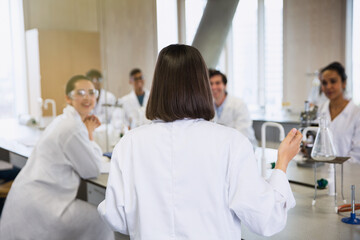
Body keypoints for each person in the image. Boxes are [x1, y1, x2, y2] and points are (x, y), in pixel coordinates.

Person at [98, 44, 302, 239]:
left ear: (158, 85)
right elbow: (266, 219)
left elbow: (117, 218)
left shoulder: (129, 144)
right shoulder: (231, 142)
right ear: (202, 85)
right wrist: (282, 162)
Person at [0, 75, 114, 240]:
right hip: (44, 206)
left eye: (91, 92)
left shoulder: (64, 120)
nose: (88, 97)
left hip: (32, 197)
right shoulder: (72, 127)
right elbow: (92, 170)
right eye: (81, 92)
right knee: (102, 219)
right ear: (68, 98)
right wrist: (90, 134)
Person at [318, 62, 360, 163]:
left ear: (344, 83)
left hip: (349, 173)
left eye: (333, 81)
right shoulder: (320, 110)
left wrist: (338, 169)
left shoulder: (356, 112)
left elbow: (357, 153)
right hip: (322, 171)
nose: (328, 87)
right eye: (324, 83)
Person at [209, 68, 258, 147]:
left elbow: (244, 135)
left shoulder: (238, 104)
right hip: (221, 150)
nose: (213, 87)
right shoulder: (208, 106)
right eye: (210, 84)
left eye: (217, 83)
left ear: (225, 85)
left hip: (241, 149)